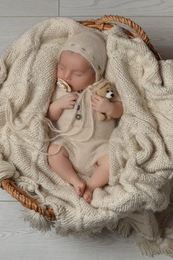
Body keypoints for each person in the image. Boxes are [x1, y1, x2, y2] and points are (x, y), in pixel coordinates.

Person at [47, 30, 123, 203]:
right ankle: (74, 180)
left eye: (78, 74)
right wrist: (59, 104)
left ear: (95, 73)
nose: (66, 76)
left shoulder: (104, 89)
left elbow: (120, 109)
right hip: (70, 144)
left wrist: (109, 108)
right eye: (62, 68)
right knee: (53, 151)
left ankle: (89, 186)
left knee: (114, 161)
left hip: (99, 148)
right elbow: (50, 116)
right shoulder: (58, 91)